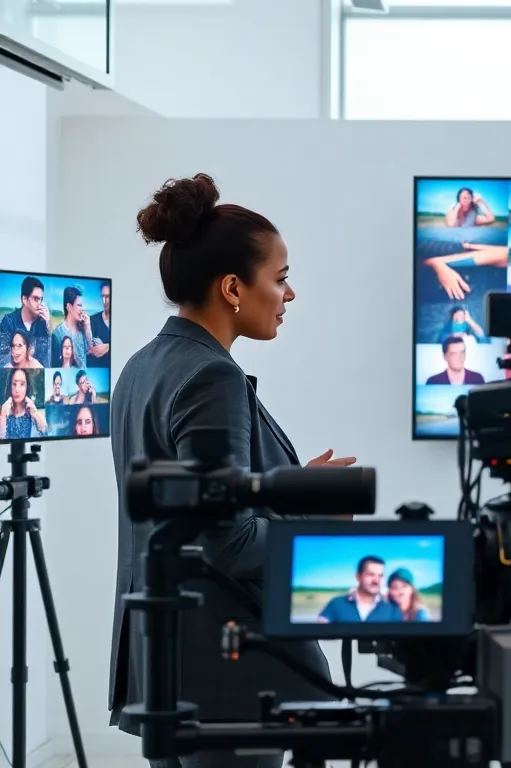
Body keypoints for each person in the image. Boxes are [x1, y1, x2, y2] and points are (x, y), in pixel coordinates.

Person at [109, 173, 356, 768]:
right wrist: (318, 521)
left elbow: (193, 513)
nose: (290, 294)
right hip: (231, 669)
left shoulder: (143, 366)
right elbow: (228, 540)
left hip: (169, 661)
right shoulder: (210, 376)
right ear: (232, 288)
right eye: (281, 278)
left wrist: (291, 485)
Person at [317, 556, 404, 623]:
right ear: (358, 576)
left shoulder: (392, 610)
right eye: (370, 574)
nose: (376, 581)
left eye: (380, 576)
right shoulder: (336, 604)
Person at [0, 275, 51, 367]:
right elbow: (3, 360)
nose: (40, 305)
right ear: (25, 299)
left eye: (41, 299)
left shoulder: (42, 323)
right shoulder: (9, 321)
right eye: (36, 299)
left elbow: (44, 362)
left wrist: (48, 327)